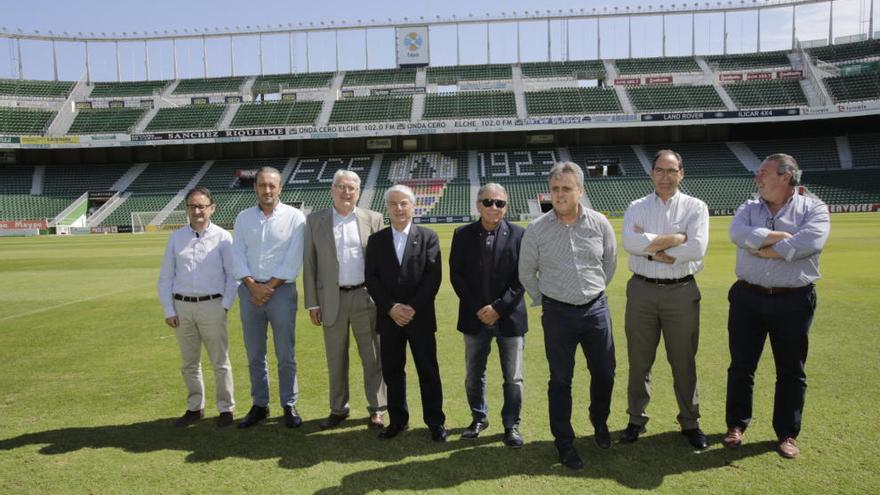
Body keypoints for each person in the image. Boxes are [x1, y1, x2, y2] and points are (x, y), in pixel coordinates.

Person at [725, 153, 830, 459]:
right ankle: (736, 425)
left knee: (791, 370)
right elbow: (737, 234)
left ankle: (787, 433)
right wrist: (783, 239)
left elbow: (811, 241)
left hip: (793, 299)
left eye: (764, 173)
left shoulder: (814, 208)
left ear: (786, 176)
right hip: (748, 296)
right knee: (742, 366)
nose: (758, 178)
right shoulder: (748, 206)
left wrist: (765, 250)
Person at [519, 161, 618, 470]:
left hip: (595, 310)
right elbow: (526, 272)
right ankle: (564, 442)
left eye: (566, 188)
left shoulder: (600, 223)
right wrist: (543, 299)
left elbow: (610, 262)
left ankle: (599, 420)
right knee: (561, 379)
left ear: (580, 191)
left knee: (605, 373)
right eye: (555, 189)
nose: (560, 194)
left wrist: (593, 289)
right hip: (558, 314)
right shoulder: (537, 229)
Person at [620, 150, 710, 450]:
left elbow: (697, 248)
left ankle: (690, 421)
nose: (666, 176)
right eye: (660, 170)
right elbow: (630, 243)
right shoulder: (636, 206)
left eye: (672, 171)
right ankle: (636, 419)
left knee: (683, 361)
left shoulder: (696, 207)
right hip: (642, 291)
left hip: (681, 292)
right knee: (639, 361)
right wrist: (676, 238)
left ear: (681, 173)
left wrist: (650, 243)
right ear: (652, 173)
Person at [303, 169, 387, 430]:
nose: (346, 192)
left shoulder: (373, 219)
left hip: (365, 298)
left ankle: (377, 409)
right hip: (331, 300)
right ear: (332, 189)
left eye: (351, 187)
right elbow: (309, 264)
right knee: (336, 358)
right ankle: (338, 409)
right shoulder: (315, 220)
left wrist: (384, 299)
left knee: (372, 357)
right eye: (341, 186)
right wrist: (313, 303)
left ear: (358, 191)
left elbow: (384, 265)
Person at [365, 184, 446, 442]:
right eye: (393, 204)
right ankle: (398, 421)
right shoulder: (376, 241)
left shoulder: (428, 237)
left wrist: (412, 308)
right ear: (387, 207)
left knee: (428, 371)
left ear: (413, 206)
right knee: (392, 371)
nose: (399, 208)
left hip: (420, 318)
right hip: (389, 320)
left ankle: (435, 422)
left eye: (404, 203)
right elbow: (372, 279)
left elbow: (432, 278)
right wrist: (391, 308)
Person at [449, 183, 527, 448]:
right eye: (487, 202)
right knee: (474, 374)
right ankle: (479, 418)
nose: (494, 207)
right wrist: (479, 308)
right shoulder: (462, 234)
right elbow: (456, 276)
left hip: (510, 318)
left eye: (499, 203)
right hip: (474, 318)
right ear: (477, 204)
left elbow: (522, 278)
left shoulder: (520, 235)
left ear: (506, 206)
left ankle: (511, 425)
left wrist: (498, 308)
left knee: (513, 378)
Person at [157, 187, 238, 427]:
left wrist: (224, 306)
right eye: (193, 206)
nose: (197, 211)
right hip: (182, 307)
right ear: (187, 209)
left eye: (202, 206)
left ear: (212, 208)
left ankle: (226, 409)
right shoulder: (176, 238)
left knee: (220, 362)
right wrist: (169, 310)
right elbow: (165, 277)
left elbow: (232, 276)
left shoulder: (223, 237)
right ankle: (195, 407)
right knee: (189, 363)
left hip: (212, 305)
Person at [232, 166, 306, 429]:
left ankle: (289, 403)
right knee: (254, 354)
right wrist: (253, 286)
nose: (267, 190)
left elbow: (293, 259)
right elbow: (237, 255)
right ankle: (260, 404)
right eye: (262, 185)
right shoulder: (242, 218)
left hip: (282, 292)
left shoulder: (296, 218)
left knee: (285, 353)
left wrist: (268, 287)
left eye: (272, 185)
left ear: (280, 188)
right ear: (255, 188)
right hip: (250, 292)